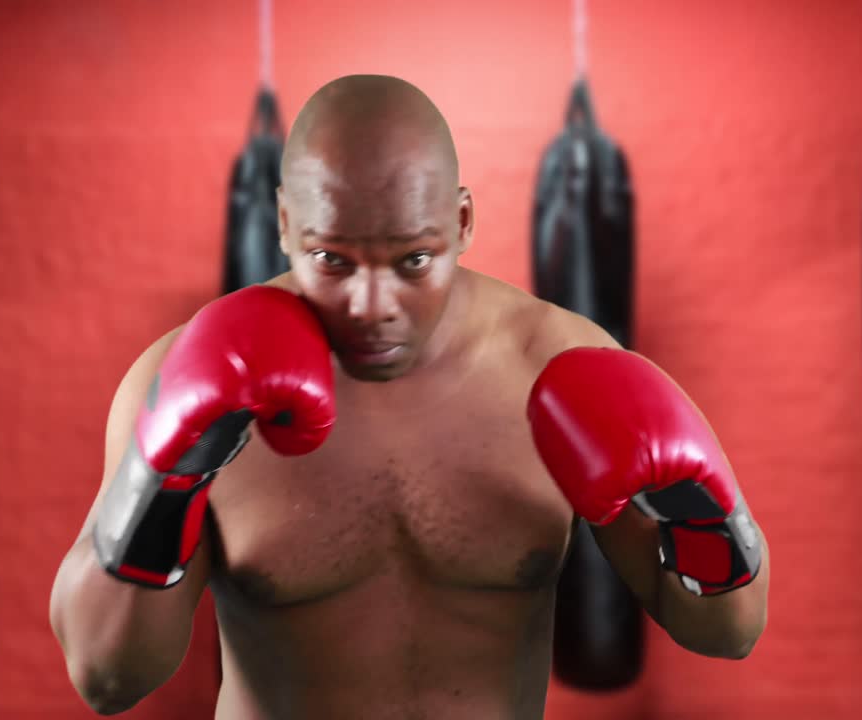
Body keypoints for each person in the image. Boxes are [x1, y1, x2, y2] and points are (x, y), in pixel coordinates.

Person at [48, 74, 770, 719]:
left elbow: (729, 631)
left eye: (412, 260)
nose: (372, 304)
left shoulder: (558, 364)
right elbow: (107, 680)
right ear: (284, 226)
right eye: (332, 260)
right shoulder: (180, 377)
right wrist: (164, 481)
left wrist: (703, 514)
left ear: (461, 224)